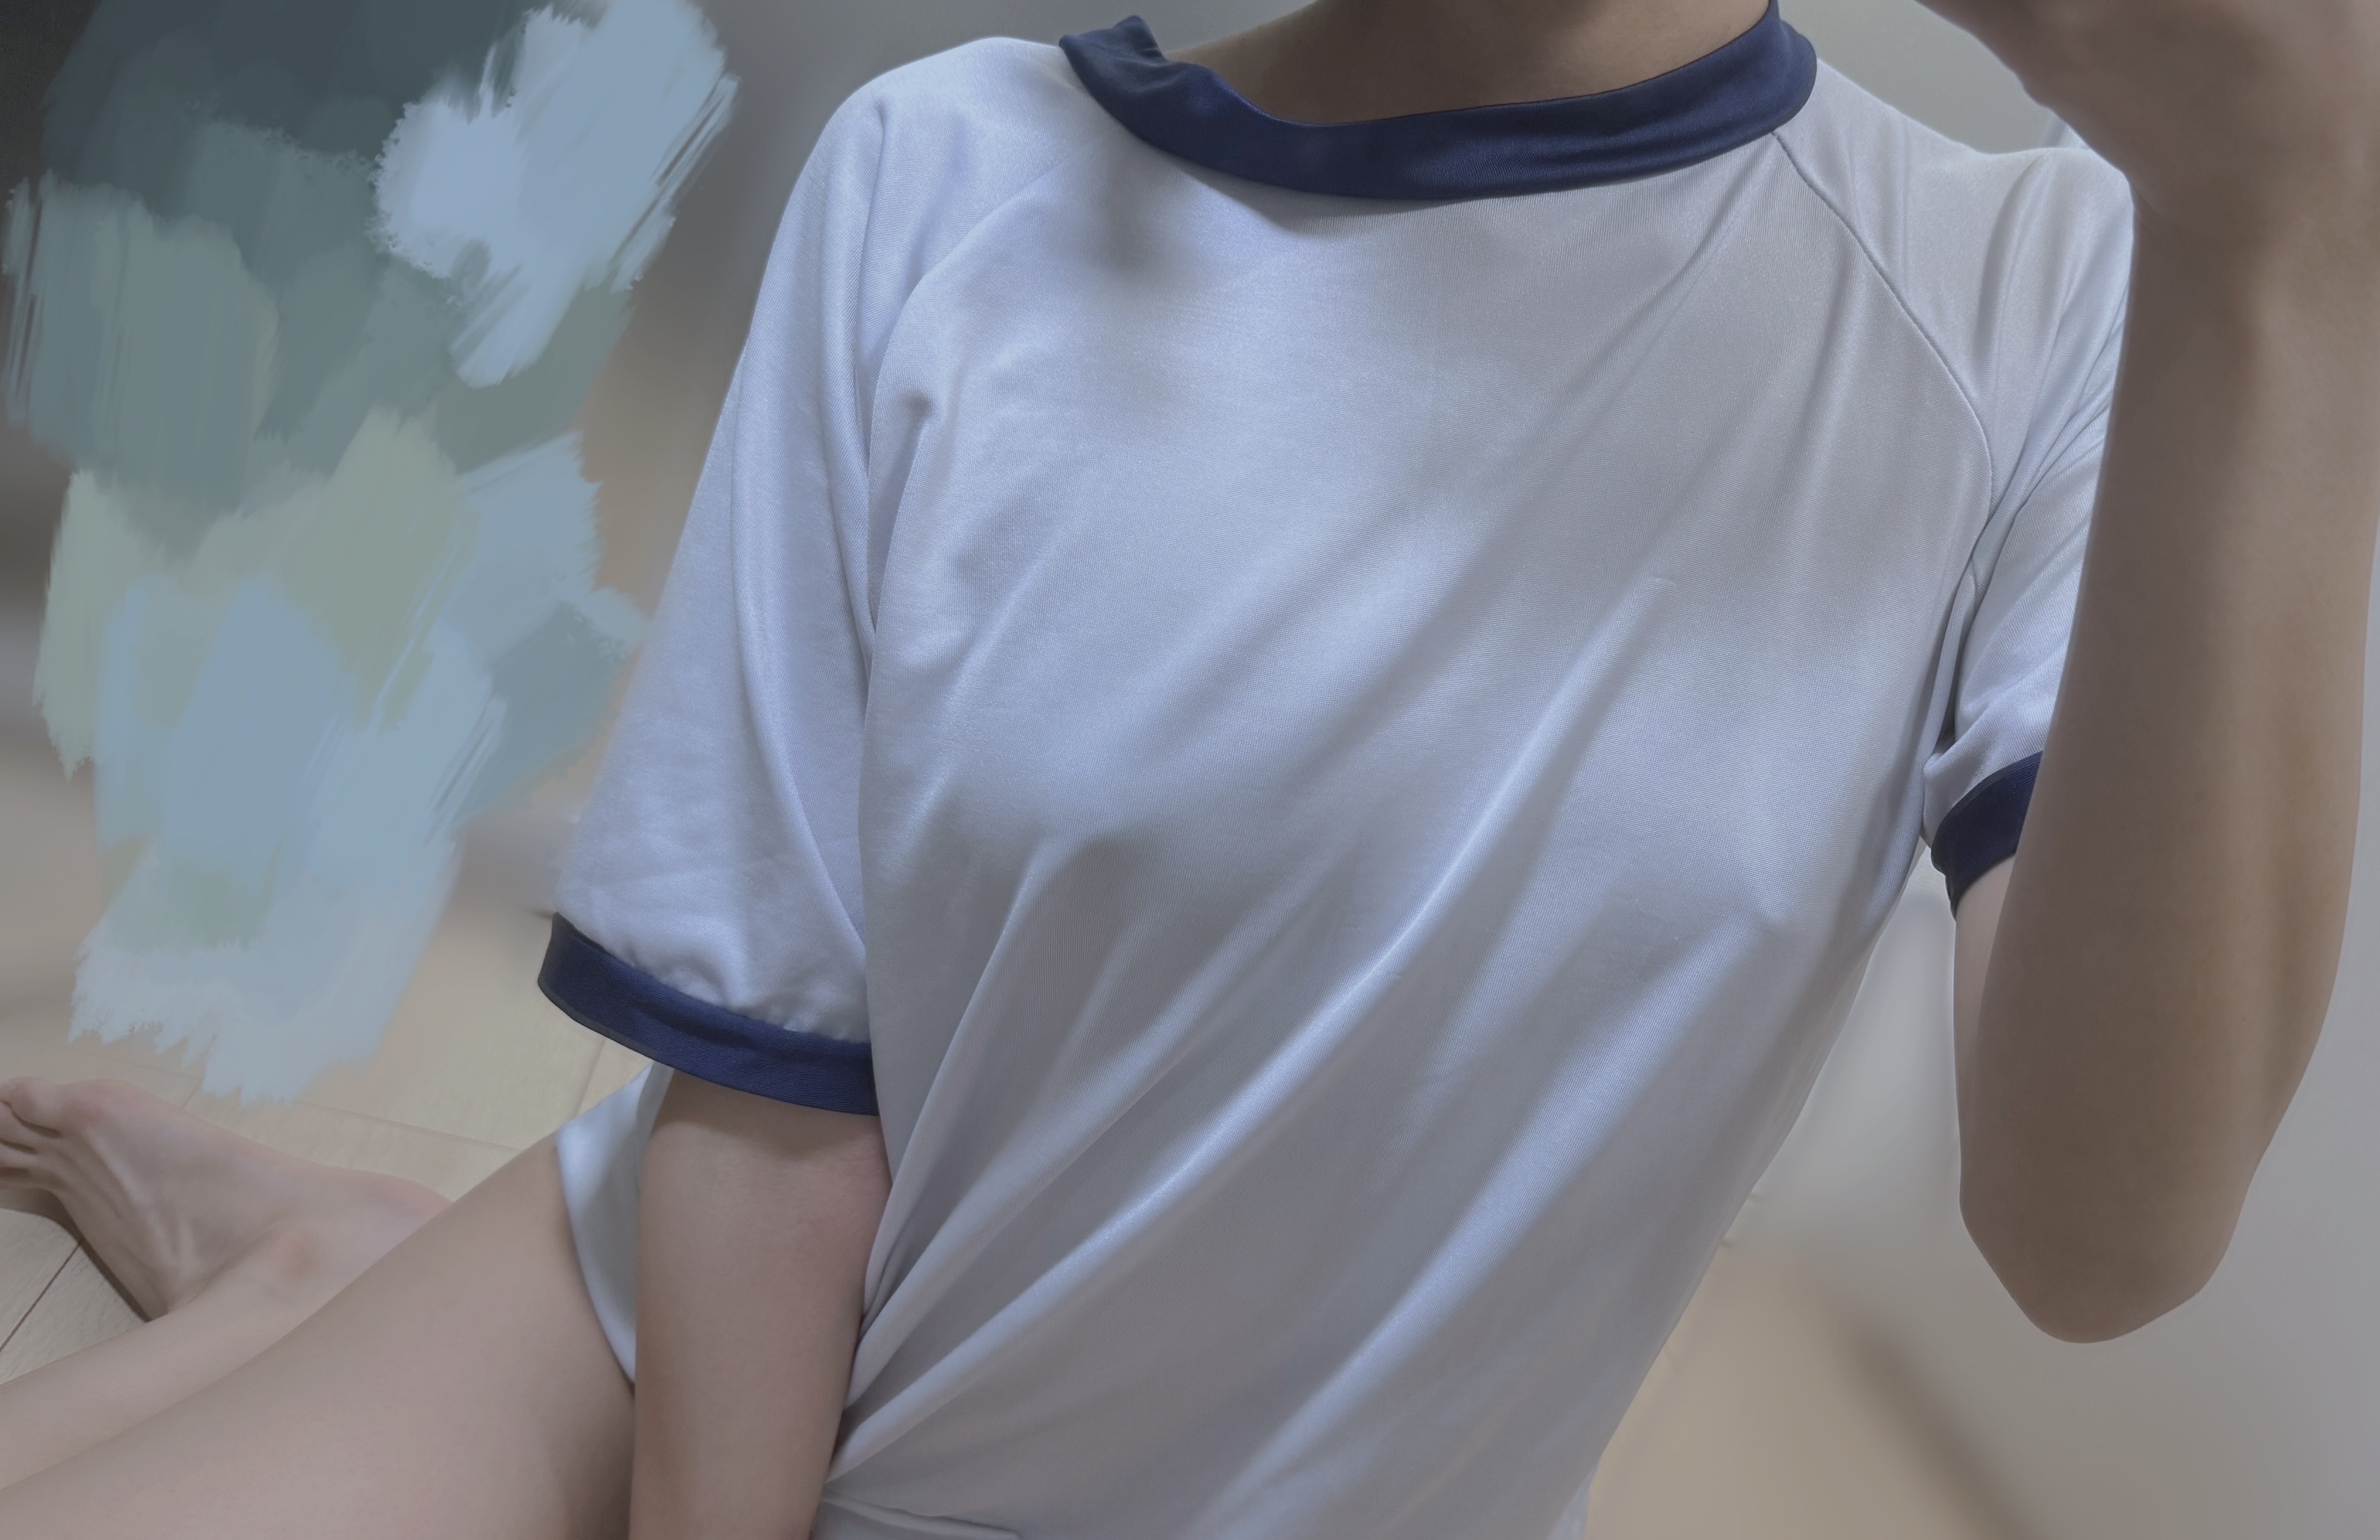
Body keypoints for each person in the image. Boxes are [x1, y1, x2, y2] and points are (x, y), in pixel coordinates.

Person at [3, 0, 2377, 1533]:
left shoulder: (2030, 303)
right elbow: (775, 1100)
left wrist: (2280, 240)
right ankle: (366, 1269)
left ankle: (324, 1253)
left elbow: (2101, 1238)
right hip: (669, 1311)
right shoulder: (942, 177)